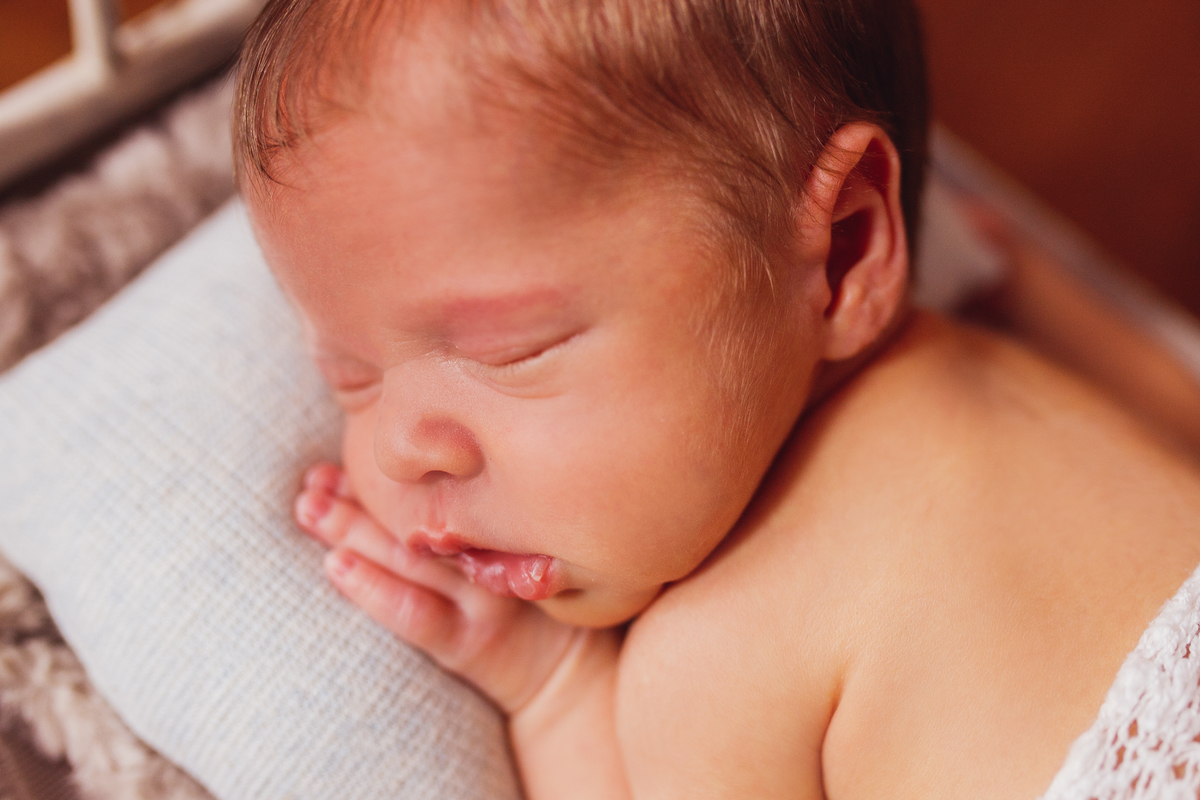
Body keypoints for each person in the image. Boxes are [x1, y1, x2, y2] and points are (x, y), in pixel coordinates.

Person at [236, 1, 1200, 797]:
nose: (404, 449)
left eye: (510, 348)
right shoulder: (1022, 376)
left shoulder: (712, 664)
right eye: (348, 374)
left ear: (850, 249)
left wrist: (557, 692)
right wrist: (1037, 287)